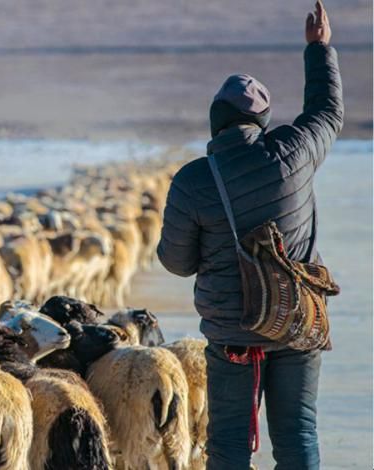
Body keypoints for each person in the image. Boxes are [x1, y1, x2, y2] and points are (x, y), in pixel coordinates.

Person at [156, 1, 343, 469]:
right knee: (298, 437)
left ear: (215, 121)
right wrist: (319, 49)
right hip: (297, 324)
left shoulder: (193, 180)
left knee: (228, 447)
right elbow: (327, 111)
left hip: (233, 335)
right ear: (262, 122)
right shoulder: (295, 152)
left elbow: (176, 262)